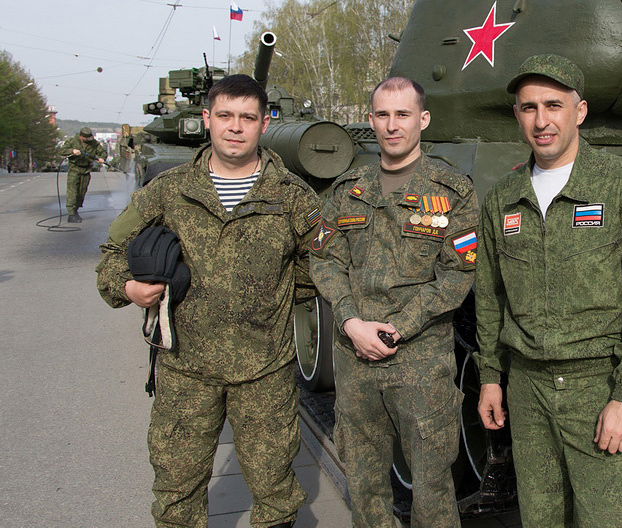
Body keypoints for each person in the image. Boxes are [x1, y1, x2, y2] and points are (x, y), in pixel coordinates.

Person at [96, 74, 322, 528]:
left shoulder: (294, 197)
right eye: (225, 116)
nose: (235, 127)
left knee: (276, 493)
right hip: (184, 371)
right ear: (207, 120)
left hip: (265, 373)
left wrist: (266, 307)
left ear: (263, 124)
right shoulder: (167, 190)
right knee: (177, 492)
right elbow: (111, 256)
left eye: (247, 118)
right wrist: (128, 288)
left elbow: (317, 269)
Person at [475, 54, 622, 527]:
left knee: (606, 519)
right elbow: (490, 296)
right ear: (517, 115)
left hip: (599, 388)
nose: (542, 121)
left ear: (579, 112)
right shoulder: (503, 196)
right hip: (528, 388)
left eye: (553, 105)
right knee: (540, 518)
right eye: (529, 107)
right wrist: (491, 377)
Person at [310, 77, 478, 527]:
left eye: (402, 114)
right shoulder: (347, 190)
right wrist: (350, 322)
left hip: (420, 362)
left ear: (422, 119)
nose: (392, 125)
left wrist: (399, 326)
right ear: (371, 121)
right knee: (364, 485)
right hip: (355, 359)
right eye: (382, 115)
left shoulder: (453, 191)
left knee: (433, 490)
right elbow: (324, 262)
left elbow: (458, 272)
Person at [60, 126, 106, 222]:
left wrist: (102, 158)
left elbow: (102, 151)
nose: (88, 140)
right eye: (86, 138)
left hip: (86, 170)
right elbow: (62, 151)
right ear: (81, 136)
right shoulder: (73, 141)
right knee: (73, 192)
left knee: (81, 192)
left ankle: (76, 210)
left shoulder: (93, 143)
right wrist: (72, 151)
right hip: (75, 169)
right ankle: (71, 214)